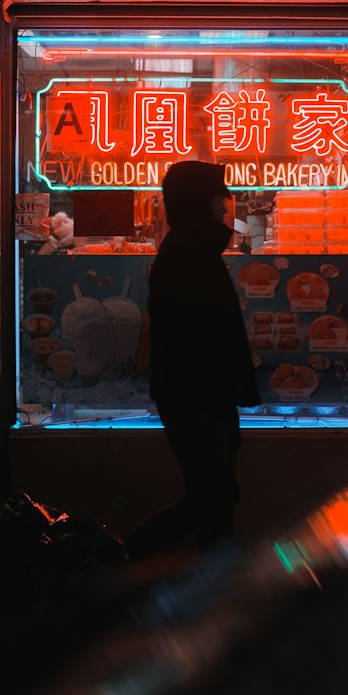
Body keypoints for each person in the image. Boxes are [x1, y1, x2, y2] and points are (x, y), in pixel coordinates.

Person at [124, 160, 259, 562]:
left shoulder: (191, 250)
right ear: (197, 205)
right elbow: (198, 334)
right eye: (218, 201)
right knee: (210, 498)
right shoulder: (187, 254)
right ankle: (117, 557)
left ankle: (216, 578)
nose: (225, 211)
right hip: (196, 397)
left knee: (217, 496)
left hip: (201, 395)